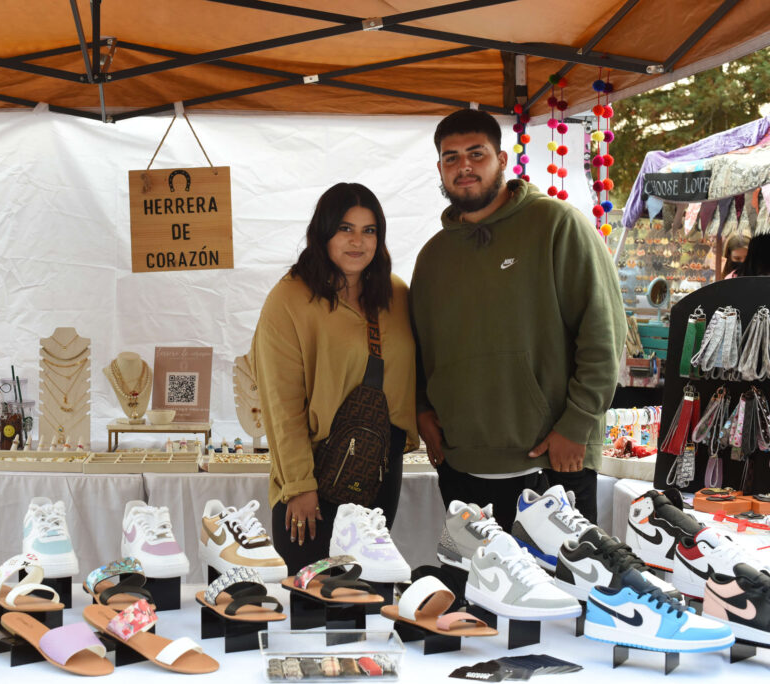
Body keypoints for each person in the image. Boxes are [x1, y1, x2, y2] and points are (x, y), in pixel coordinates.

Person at [409, 109, 626, 532]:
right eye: (451, 158)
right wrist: (420, 411)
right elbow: (417, 347)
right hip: (462, 466)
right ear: (439, 168)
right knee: (473, 593)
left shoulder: (556, 224)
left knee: (563, 592)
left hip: (551, 459)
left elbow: (603, 333)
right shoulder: (432, 257)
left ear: (502, 160)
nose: (464, 167)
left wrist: (578, 425)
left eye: (477, 154)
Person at [252, 182, 418, 572]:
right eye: (345, 228)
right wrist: (298, 485)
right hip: (314, 477)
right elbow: (281, 403)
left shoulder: (396, 295)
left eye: (369, 230)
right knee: (314, 606)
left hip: (380, 470)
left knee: (366, 592)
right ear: (323, 232)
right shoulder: (289, 300)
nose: (357, 241)